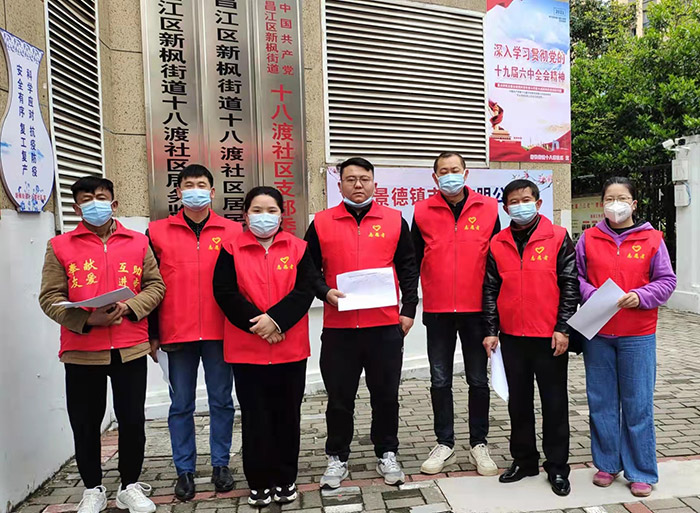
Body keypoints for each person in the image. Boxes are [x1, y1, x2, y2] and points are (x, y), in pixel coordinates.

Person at [39, 177, 165, 513]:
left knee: (132, 420)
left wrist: (130, 306)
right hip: (82, 351)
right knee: (85, 422)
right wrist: (87, 320)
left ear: (114, 203)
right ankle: (92, 488)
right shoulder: (60, 246)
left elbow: (155, 286)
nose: (95, 203)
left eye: (101, 197)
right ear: (76, 207)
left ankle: (129, 486)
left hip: (130, 346)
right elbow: (49, 297)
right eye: (86, 199)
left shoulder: (138, 242)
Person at [304, 157, 420, 489]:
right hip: (339, 329)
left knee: (386, 396)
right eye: (351, 179)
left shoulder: (394, 220)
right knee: (339, 398)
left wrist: (408, 309)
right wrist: (324, 292)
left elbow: (408, 267)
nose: (358, 184)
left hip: (384, 327)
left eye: (364, 179)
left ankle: (387, 452)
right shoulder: (322, 223)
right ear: (339, 184)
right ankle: (337, 457)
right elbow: (308, 268)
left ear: (374, 183)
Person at [213, 187, 315, 507]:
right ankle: (258, 481)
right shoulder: (230, 248)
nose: (264, 216)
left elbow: (304, 290)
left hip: (289, 348)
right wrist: (260, 325)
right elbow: (225, 292)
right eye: (257, 210)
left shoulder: (298, 247)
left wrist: (277, 321)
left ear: (282, 214)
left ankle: (285, 479)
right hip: (247, 349)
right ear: (245, 215)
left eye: (271, 210)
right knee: (255, 417)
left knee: (287, 416)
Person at [576, 177, 676, 497]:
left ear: (633, 204)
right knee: (601, 402)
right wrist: (591, 294)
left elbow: (666, 281)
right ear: (602, 204)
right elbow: (576, 277)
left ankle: (640, 470)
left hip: (638, 334)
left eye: (621, 198)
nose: (615, 204)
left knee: (638, 404)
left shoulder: (652, 238)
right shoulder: (588, 239)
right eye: (609, 198)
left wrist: (641, 296)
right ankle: (607, 464)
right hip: (598, 333)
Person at [146, 164, 242, 500]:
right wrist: (152, 332)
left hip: (221, 331)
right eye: (189, 185)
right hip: (175, 333)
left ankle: (220, 464)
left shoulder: (233, 230)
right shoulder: (156, 231)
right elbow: (148, 284)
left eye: (202, 185)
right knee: (180, 404)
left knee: (222, 401)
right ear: (178, 192)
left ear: (212, 192)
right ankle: (184, 469)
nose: (196, 190)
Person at [482, 179, 579, 496]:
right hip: (512, 337)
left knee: (554, 404)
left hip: (549, 337)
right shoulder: (498, 243)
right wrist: (490, 330)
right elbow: (490, 288)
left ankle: (557, 467)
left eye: (526, 200)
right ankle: (524, 461)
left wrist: (563, 327)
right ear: (505, 207)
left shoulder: (558, 237)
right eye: (513, 201)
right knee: (519, 404)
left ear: (538, 204)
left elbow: (570, 283)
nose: (520, 205)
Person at [411, 152, 500, 476]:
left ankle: (479, 443)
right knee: (440, 379)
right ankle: (444, 443)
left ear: (466, 173)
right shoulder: (422, 211)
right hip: (438, 310)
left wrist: (495, 312)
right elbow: (413, 260)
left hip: (477, 310)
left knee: (478, 379)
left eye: (455, 170)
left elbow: (497, 261)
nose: (450, 175)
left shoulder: (488, 208)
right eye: (443, 171)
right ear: (435, 177)